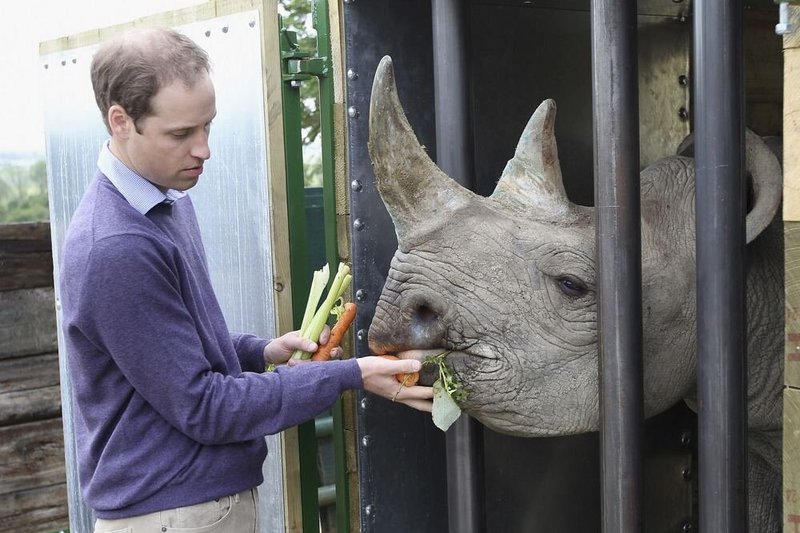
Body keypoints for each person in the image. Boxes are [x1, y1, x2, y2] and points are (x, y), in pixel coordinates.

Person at [59, 27, 433, 532]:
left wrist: (261, 351)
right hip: (173, 514)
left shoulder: (163, 203)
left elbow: (170, 353)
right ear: (121, 121)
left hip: (188, 506)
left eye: (207, 126)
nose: (204, 149)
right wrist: (351, 374)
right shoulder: (117, 246)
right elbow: (205, 408)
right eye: (181, 134)